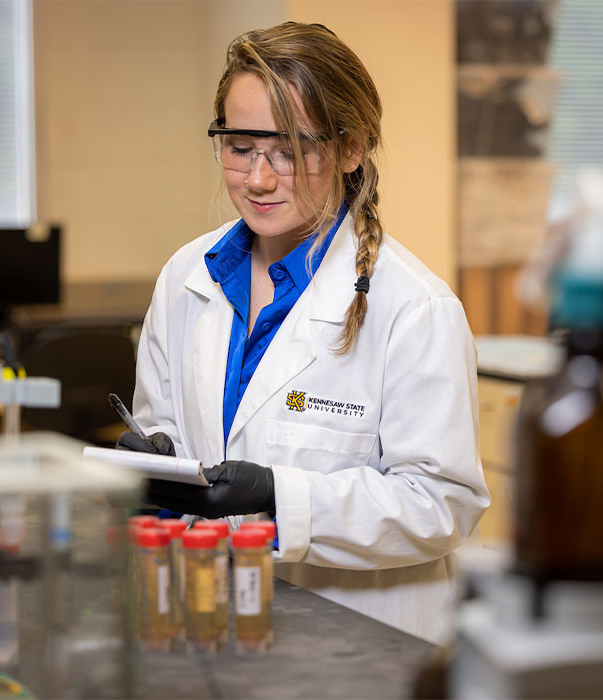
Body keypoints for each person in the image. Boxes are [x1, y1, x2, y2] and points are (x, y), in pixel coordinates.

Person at [118, 21, 490, 645]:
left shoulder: (415, 309)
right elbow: (171, 434)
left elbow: (440, 506)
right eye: (240, 146)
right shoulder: (187, 278)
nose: (259, 179)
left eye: (291, 149)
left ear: (352, 148)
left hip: (360, 648)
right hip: (212, 625)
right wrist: (153, 466)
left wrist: (277, 497)